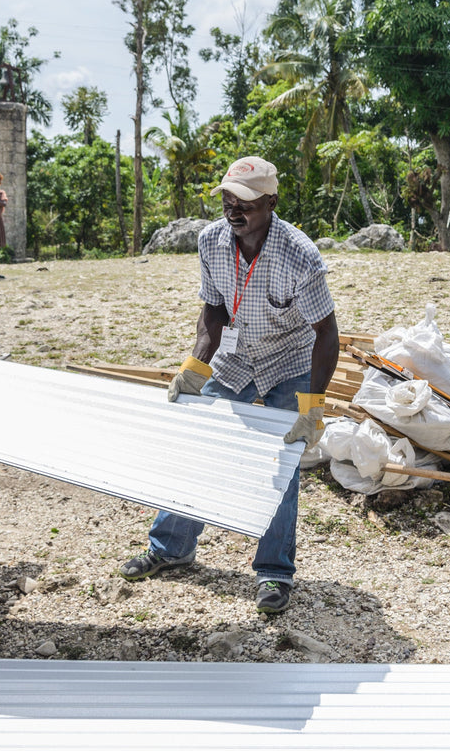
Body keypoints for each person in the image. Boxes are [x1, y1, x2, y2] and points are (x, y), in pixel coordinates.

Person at [120, 157, 338, 615]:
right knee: (202, 446)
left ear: (271, 202)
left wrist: (313, 405)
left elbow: (326, 334)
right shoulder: (211, 242)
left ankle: (274, 571)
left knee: (280, 463)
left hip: (289, 359)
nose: (233, 210)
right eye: (227, 200)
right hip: (235, 359)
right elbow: (215, 309)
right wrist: (197, 365)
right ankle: (171, 546)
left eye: (245, 203)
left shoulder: (300, 254)